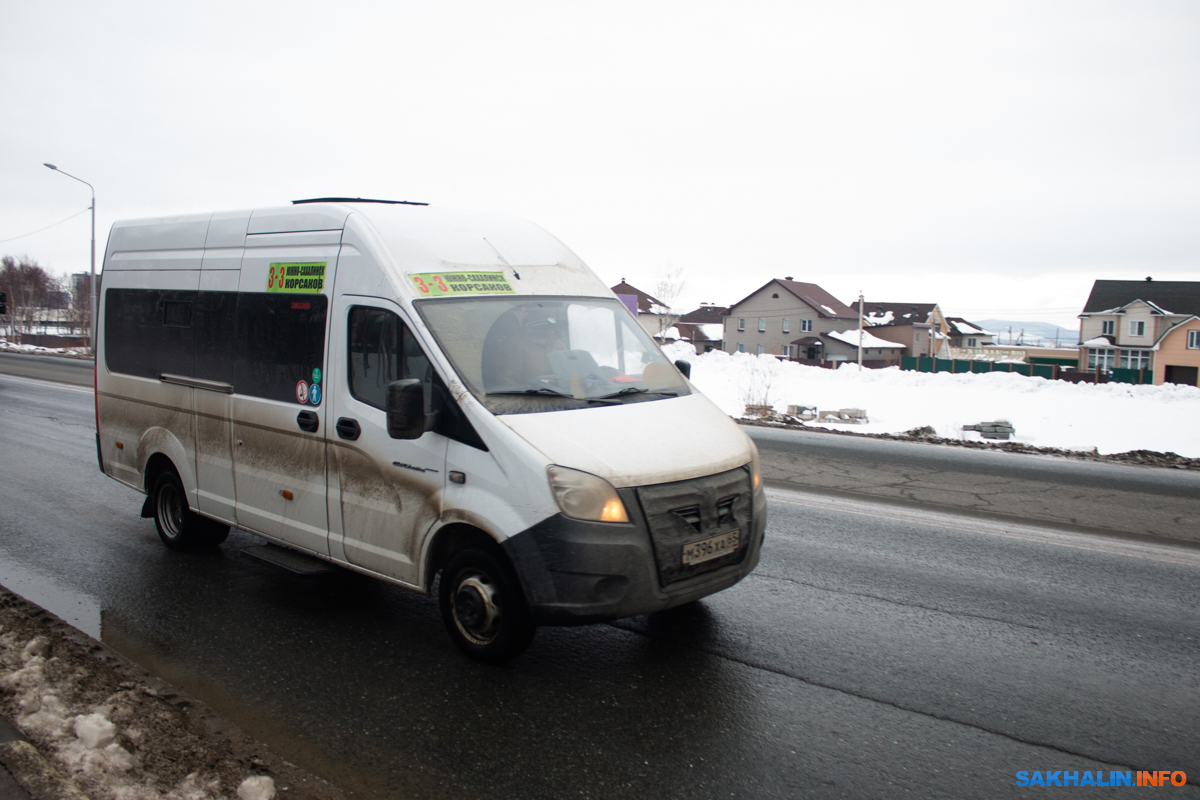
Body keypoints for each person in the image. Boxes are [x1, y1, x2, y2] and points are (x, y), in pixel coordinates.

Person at [482, 303, 566, 390]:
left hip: (557, 396)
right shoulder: (515, 344)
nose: (552, 320)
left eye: (553, 314)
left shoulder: (557, 343)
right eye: (546, 316)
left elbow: (567, 375)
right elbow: (507, 381)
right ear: (533, 317)